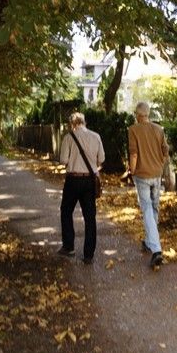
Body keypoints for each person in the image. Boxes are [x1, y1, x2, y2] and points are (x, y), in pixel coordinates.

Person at [57, 112, 105, 264]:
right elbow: (102, 159)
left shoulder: (68, 137)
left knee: (66, 211)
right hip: (90, 181)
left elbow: (63, 160)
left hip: (73, 179)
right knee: (90, 217)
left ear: (72, 124)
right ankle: (88, 254)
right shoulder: (96, 136)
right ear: (85, 122)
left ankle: (69, 246)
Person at [128, 101, 170, 270]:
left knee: (146, 208)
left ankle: (156, 250)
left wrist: (131, 171)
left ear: (138, 115)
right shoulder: (159, 129)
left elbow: (134, 154)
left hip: (142, 175)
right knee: (154, 208)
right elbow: (166, 151)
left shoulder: (133, 130)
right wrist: (160, 164)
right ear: (148, 114)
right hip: (156, 174)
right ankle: (149, 241)